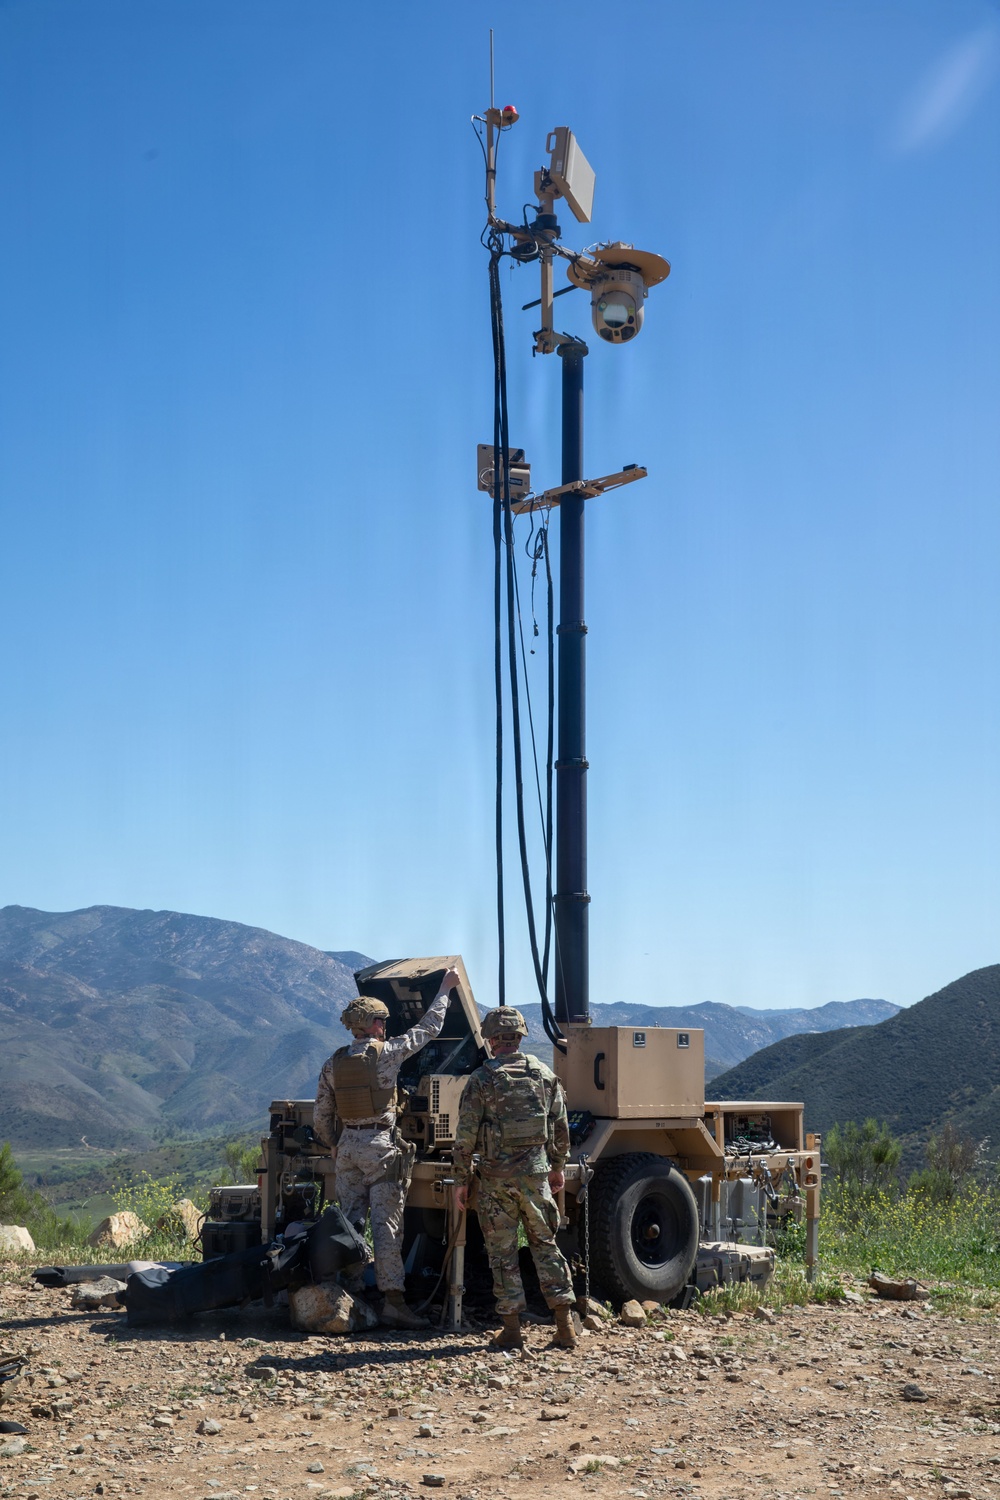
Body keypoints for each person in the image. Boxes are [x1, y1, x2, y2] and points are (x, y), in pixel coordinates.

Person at [314, 966, 461, 1330]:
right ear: (373, 1024)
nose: (385, 1025)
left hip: (347, 1147)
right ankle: (394, 1303)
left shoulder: (333, 1062)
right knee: (387, 1227)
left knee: (349, 1225)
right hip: (380, 1147)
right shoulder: (387, 1053)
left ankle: (346, 1298)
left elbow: (321, 1115)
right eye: (381, 1020)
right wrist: (445, 989)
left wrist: (334, 1145)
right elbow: (428, 1030)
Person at [452, 1005, 577, 1350]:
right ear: (520, 1037)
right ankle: (565, 1326)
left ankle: (511, 1330)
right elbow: (560, 1127)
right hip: (536, 1178)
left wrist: (461, 1179)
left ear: (491, 1040)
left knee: (502, 1254)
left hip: (495, 1181)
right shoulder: (544, 1075)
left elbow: (465, 1135)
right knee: (546, 1247)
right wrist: (557, 1167)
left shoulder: (481, 1079)